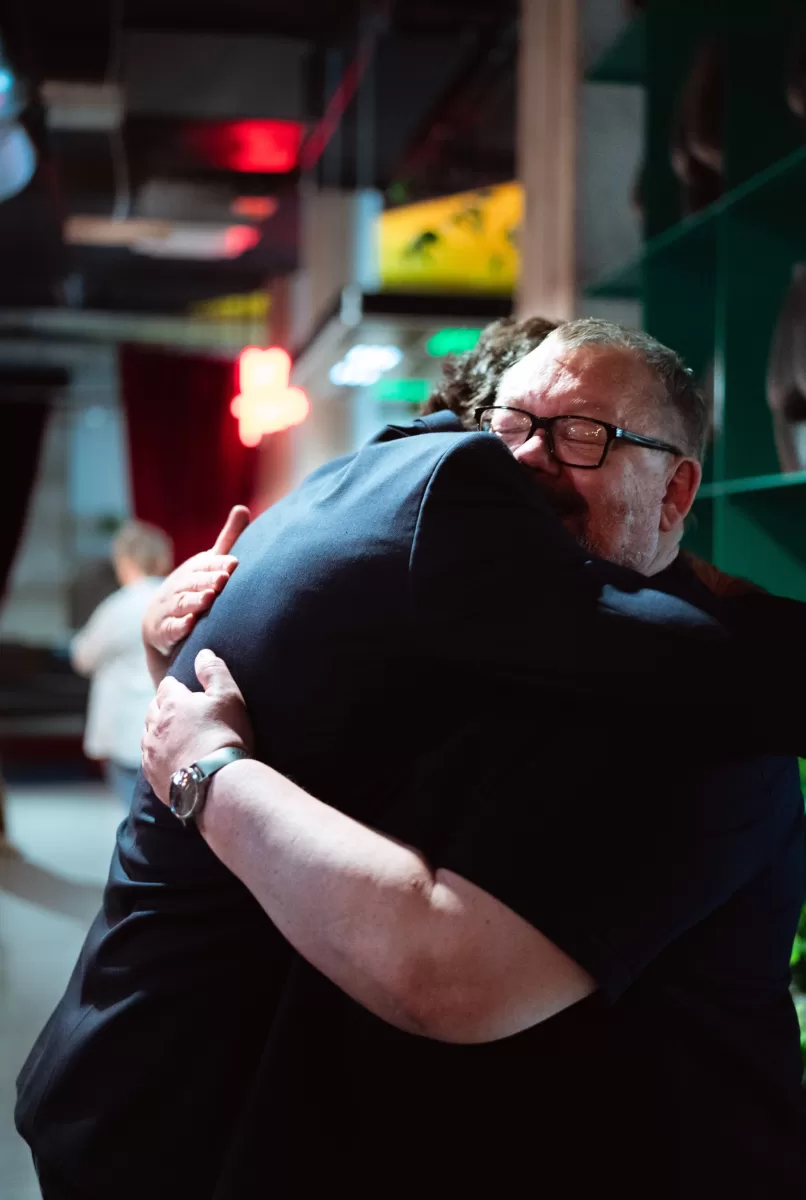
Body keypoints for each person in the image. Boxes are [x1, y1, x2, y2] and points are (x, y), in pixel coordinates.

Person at [16, 320, 806, 1199]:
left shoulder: (697, 706)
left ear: (675, 489)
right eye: (509, 425)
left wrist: (208, 768)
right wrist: (190, 680)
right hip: (169, 1106)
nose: (527, 459)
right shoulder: (472, 609)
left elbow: (446, 973)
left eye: (585, 434)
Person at [69, 521, 173, 806]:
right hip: (172, 722)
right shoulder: (177, 596)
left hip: (127, 729)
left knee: (134, 813)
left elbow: (83, 657)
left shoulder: (118, 606)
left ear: (125, 561)